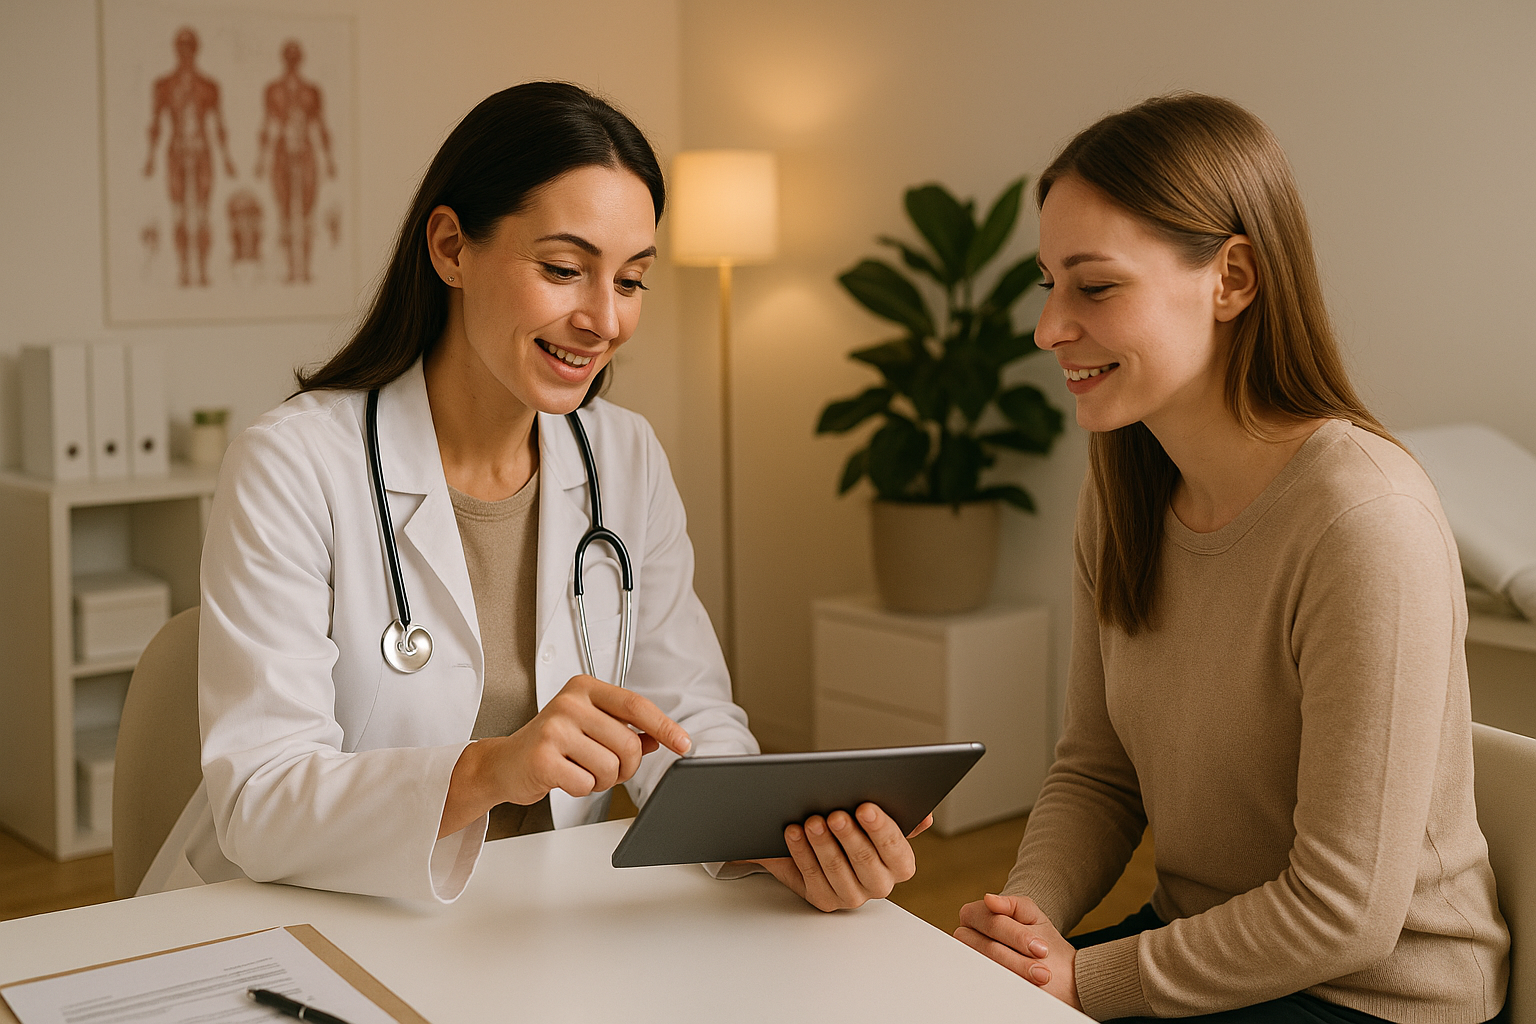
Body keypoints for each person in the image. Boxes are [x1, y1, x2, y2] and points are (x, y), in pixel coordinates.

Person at [140, 82, 924, 908]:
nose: (603, 319)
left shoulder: (626, 457)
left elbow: (685, 717)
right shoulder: (293, 465)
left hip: (523, 918)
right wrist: (492, 768)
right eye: (562, 269)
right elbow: (260, 801)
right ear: (450, 247)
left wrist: (774, 840)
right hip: (293, 921)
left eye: (630, 281)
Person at [954, 94, 1509, 1023]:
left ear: (1234, 278)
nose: (1049, 328)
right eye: (1049, 284)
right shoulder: (1127, 486)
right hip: (1206, 948)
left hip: (1372, 995)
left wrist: (1086, 978)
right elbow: (1098, 770)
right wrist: (1026, 921)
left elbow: (1342, 915)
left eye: (1093, 287)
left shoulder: (1364, 521)